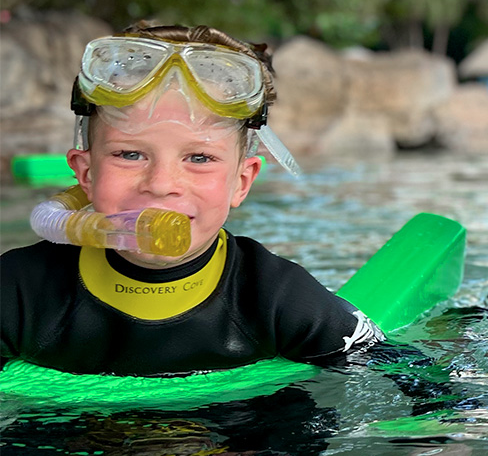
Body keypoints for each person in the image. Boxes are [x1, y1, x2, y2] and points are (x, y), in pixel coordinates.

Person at [1, 25, 385, 374]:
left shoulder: (273, 297)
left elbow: (399, 372)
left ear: (241, 181)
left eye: (199, 158)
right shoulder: (20, 291)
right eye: (130, 154)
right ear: (86, 174)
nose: (162, 184)